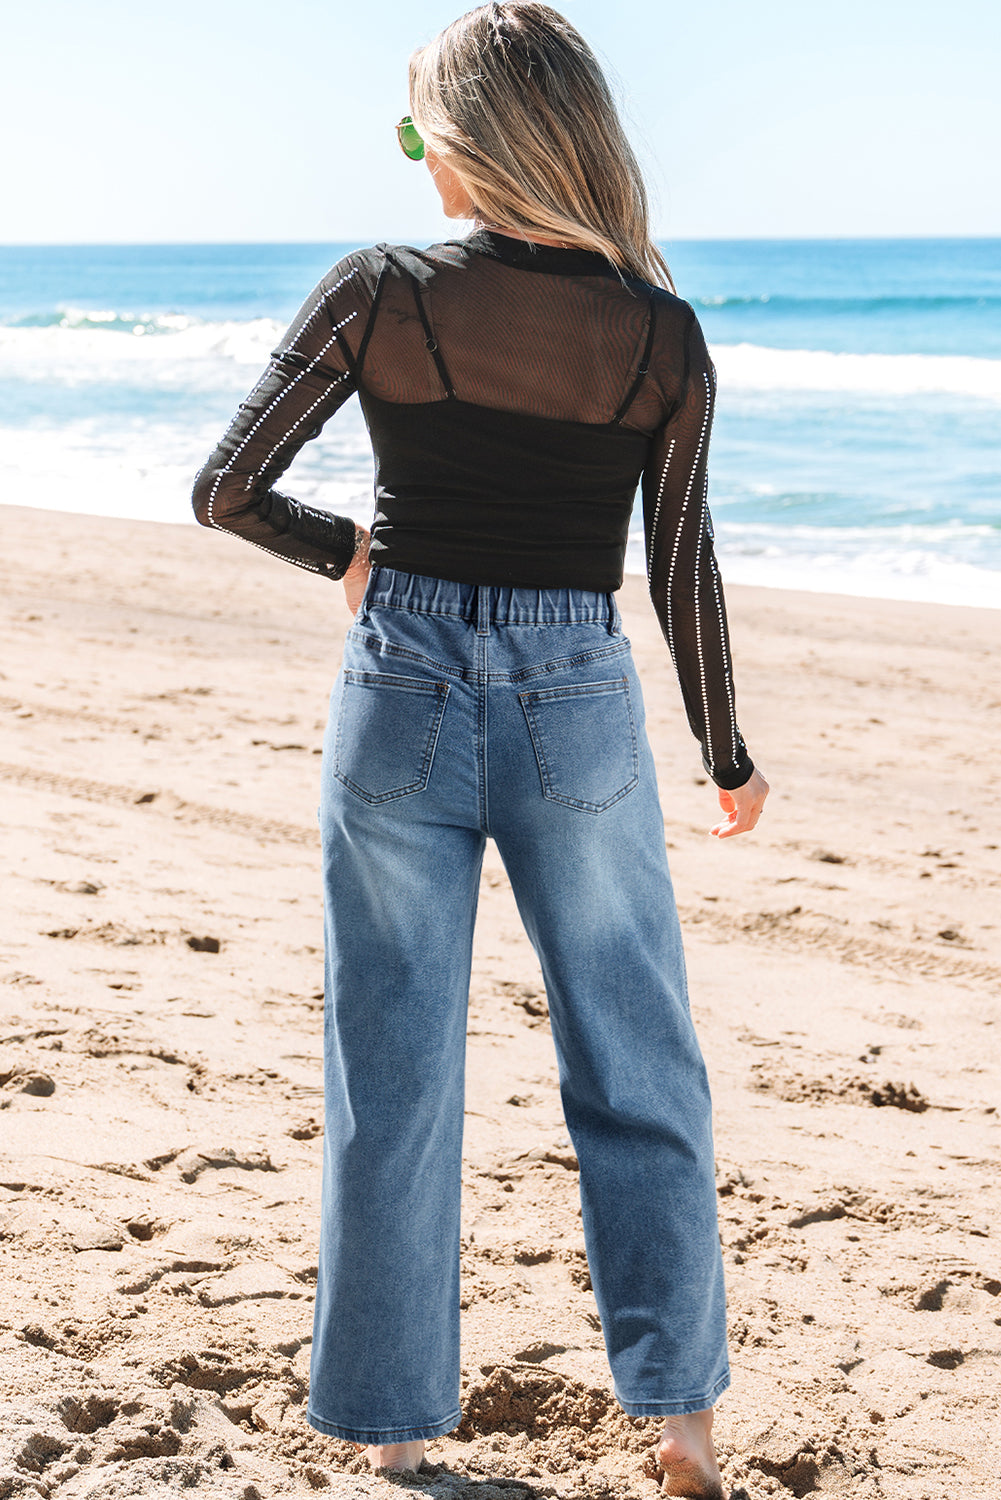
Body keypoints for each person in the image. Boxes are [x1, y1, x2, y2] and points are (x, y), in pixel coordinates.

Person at [192, 4, 768, 1493]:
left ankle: (388, 1424)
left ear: (469, 142)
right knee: (636, 1057)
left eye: (415, 132)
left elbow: (226, 487)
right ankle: (682, 1418)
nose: (412, 161)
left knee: (392, 1069)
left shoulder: (378, 292)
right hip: (578, 695)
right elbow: (681, 568)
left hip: (403, 692)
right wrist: (723, 753)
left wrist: (349, 556)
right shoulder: (659, 330)